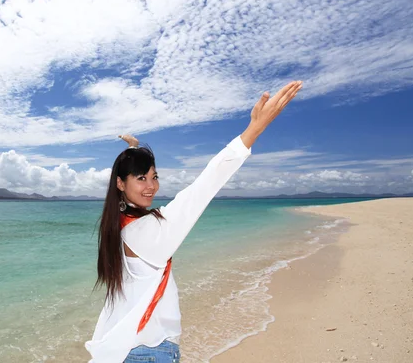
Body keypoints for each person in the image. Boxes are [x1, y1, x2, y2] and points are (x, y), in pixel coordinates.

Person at [85, 81, 304, 362]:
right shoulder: (149, 232)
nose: (151, 186)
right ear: (120, 183)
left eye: (154, 177)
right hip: (152, 353)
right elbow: (204, 186)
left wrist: (134, 150)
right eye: (141, 178)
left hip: (129, 350)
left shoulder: (119, 225)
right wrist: (255, 129)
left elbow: (128, 187)